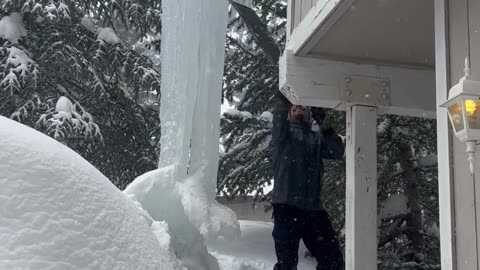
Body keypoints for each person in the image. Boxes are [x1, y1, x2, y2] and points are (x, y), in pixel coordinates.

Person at [271, 93, 344, 270]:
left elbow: (337, 151)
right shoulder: (283, 137)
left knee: (333, 261)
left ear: (310, 115)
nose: (297, 107)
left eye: (303, 106)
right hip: (286, 208)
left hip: (313, 210)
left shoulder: (317, 140)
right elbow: (280, 113)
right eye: (294, 107)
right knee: (286, 264)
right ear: (288, 114)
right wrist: (287, 90)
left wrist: (321, 115)